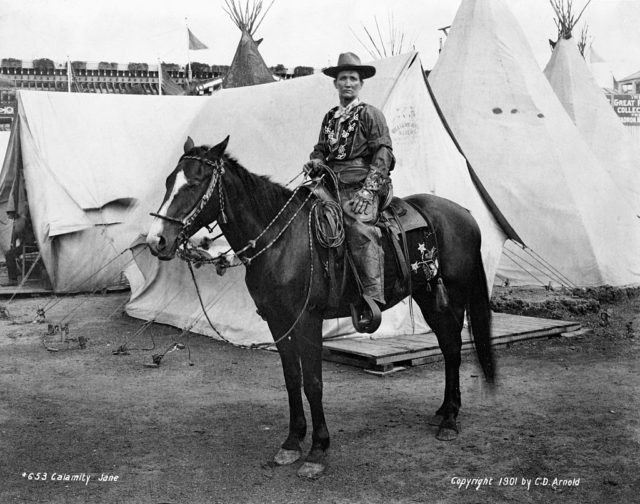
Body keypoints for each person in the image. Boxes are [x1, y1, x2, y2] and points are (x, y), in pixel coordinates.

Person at [304, 52, 395, 329]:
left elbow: (384, 153)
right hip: (331, 183)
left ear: (361, 83)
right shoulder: (330, 117)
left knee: (358, 226)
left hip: (364, 183)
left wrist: (368, 191)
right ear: (335, 83)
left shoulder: (370, 114)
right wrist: (316, 160)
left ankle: (372, 297)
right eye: (342, 78)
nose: (347, 83)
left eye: (353, 79)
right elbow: (321, 148)